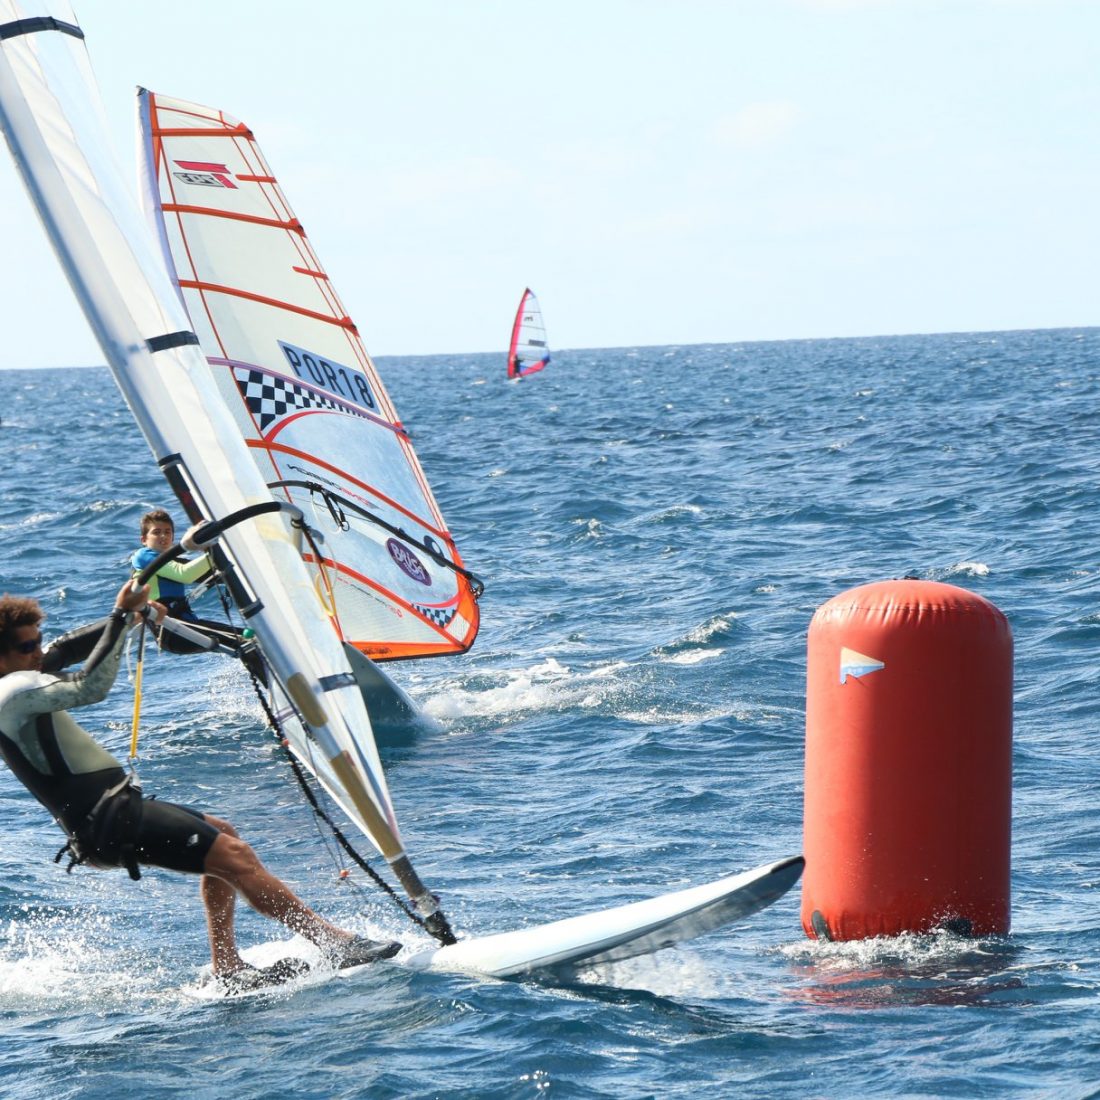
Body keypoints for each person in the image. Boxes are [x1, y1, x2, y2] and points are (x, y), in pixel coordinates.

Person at [0, 581, 399, 992]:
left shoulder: (20, 675)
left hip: (110, 815)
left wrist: (131, 618)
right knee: (235, 856)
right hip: (107, 822)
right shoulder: (11, 691)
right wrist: (120, 618)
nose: (38, 653)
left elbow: (63, 651)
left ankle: (226, 966)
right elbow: (90, 687)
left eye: (38, 642)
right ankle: (333, 943)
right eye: (27, 647)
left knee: (224, 835)